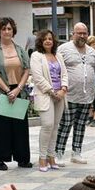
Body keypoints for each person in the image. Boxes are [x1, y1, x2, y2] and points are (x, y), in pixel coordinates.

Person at [0, 17, 32, 171]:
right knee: (1, 128)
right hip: (0, 93)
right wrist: (7, 90)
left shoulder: (20, 49)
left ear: (13, 31)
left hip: (18, 90)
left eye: (9, 28)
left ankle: (22, 158)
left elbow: (26, 69)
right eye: (3, 29)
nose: (7, 31)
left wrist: (18, 88)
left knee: (19, 127)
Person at [55, 23, 95, 165]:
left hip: (86, 96)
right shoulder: (63, 49)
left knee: (81, 125)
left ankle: (77, 152)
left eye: (84, 33)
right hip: (69, 95)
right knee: (66, 124)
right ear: (72, 34)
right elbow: (56, 70)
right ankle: (59, 153)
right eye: (79, 33)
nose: (82, 36)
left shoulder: (92, 52)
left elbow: (94, 70)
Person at [29, 30, 67, 172]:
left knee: (55, 127)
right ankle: (42, 158)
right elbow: (38, 78)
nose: (48, 41)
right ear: (40, 41)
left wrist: (63, 89)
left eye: (50, 38)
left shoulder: (58, 55)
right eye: (45, 39)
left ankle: (52, 157)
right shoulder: (36, 56)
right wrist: (52, 91)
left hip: (60, 95)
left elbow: (64, 74)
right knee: (47, 125)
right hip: (46, 95)